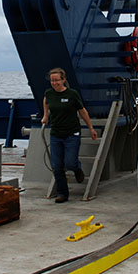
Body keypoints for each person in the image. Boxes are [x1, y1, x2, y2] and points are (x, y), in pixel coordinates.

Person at [41, 67, 97, 203]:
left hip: (72, 133)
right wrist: (45, 116)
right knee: (57, 165)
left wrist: (91, 128)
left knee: (70, 162)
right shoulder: (49, 94)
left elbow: (83, 112)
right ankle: (62, 193)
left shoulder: (72, 94)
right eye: (52, 80)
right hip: (56, 134)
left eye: (57, 80)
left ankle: (77, 169)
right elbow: (46, 102)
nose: (54, 83)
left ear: (63, 80)